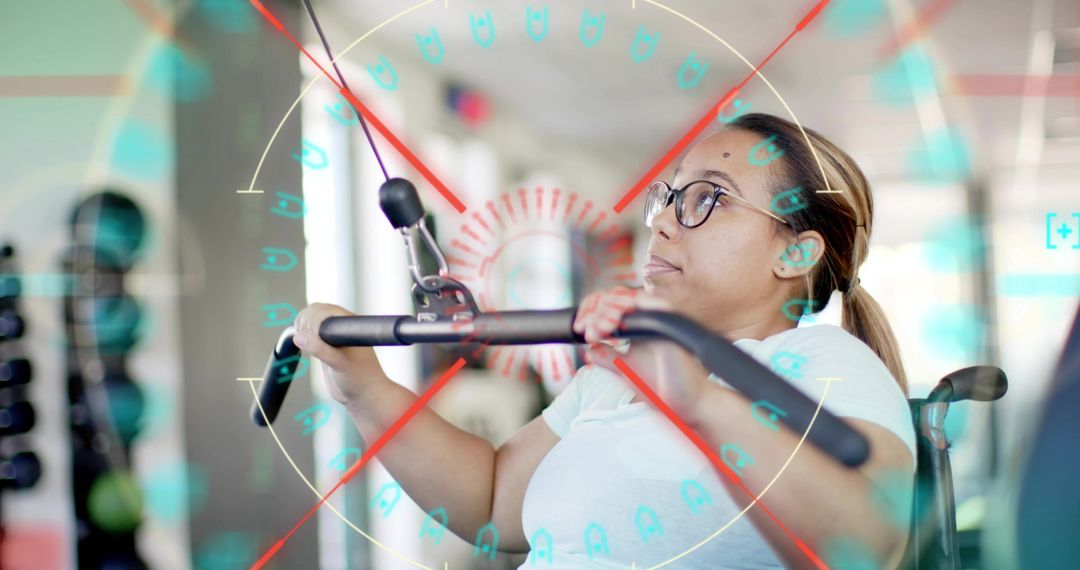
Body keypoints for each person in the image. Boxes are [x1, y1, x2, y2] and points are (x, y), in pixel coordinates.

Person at [292, 113, 916, 569]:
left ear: (795, 252)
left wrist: (697, 400)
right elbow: (489, 503)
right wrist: (365, 388)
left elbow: (865, 545)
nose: (666, 222)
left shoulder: (826, 363)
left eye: (708, 199)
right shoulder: (617, 376)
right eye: (668, 197)